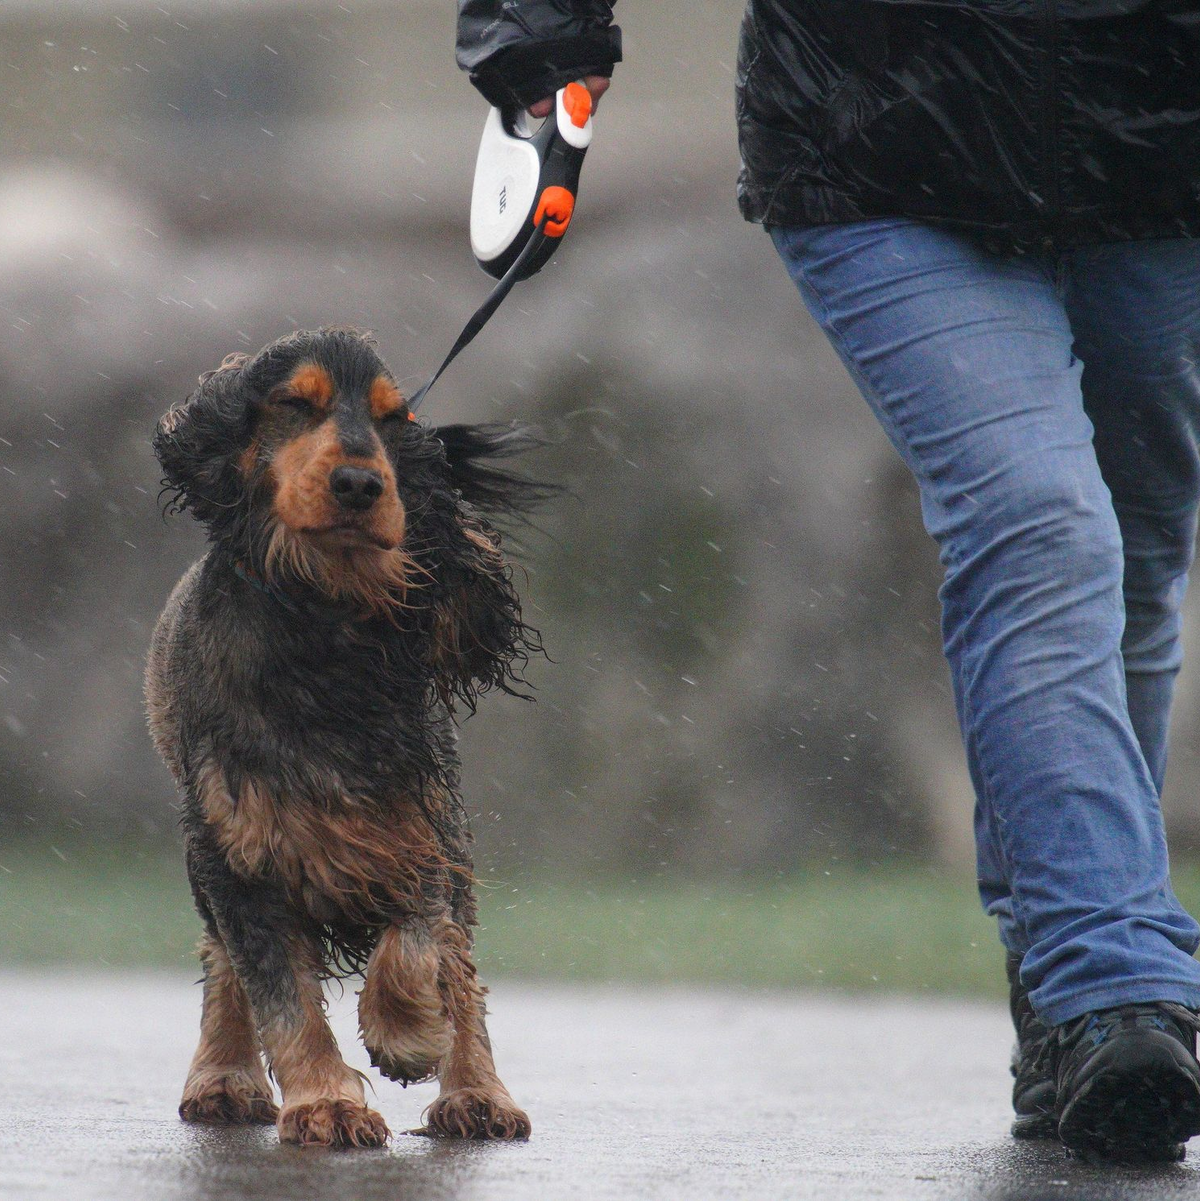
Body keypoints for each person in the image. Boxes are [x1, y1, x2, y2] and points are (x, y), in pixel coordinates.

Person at [454, 0, 1200, 1163]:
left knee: (1137, 561)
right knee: (1041, 522)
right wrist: (539, 55)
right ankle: (1113, 980)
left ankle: (1065, 989)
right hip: (882, 130)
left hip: (1160, 135)